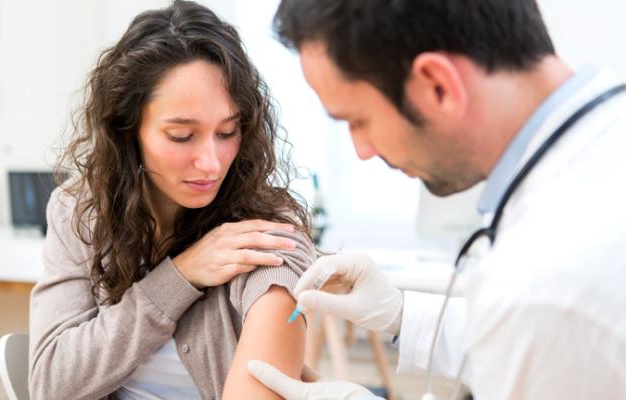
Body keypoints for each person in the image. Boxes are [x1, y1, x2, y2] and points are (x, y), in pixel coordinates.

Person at [247, 0, 626, 399]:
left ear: (438, 85)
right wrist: (401, 314)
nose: (362, 150)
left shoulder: (542, 285)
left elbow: (541, 324)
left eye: (357, 120)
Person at [28, 1, 316, 399]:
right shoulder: (80, 209)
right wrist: (179, 277)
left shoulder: (264, 230)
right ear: (128, 130)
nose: (212, 163)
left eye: (228, 131)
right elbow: (52, 383)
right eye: (182, 136)